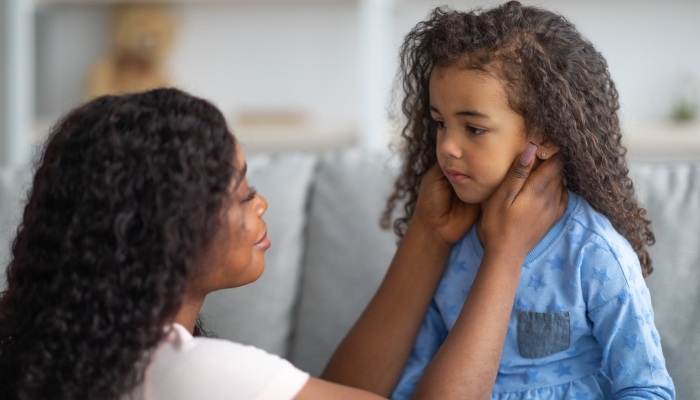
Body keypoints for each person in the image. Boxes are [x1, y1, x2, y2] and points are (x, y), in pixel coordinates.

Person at [0, 88, 564, 400]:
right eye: (241, 191)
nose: (261, 203)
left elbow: (332, 394)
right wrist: (506, 254)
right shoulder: (190, 374)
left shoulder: (61, 350)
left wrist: (428, 235)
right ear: (171, 229)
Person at [380, 2, 675, 399]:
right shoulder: (450, 246)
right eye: (440, 123)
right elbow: (415, 377)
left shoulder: (594, 253)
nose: (447, 146)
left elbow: (647, 388)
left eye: (474, 128)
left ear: (547, 135)